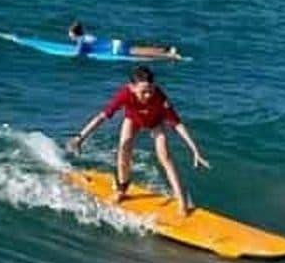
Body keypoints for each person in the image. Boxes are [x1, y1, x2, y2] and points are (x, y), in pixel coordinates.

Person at [66, 65, 209, 213]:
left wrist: (195, 150)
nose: (148, 95)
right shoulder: (124, 94)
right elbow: (102, 117)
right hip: (133, 120)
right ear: (132, 87)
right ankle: (122, 190)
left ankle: (182, 202)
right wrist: (80, 137)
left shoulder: (160, 97)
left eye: (151, 90)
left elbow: (177, 124)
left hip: (155, 123)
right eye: (143, 92)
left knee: (165, 158)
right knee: (123, 151)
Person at [68, 21, 182, 60]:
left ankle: (170, 56)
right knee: (139, 50)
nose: (70, 37)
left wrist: (70, 57)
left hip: (115, 50)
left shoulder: (80, 40)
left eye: (70, 34)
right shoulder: (88, 36)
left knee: (142, 54)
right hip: (116, 42)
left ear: (75, 34)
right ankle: (166, 49)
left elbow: (77, 53)